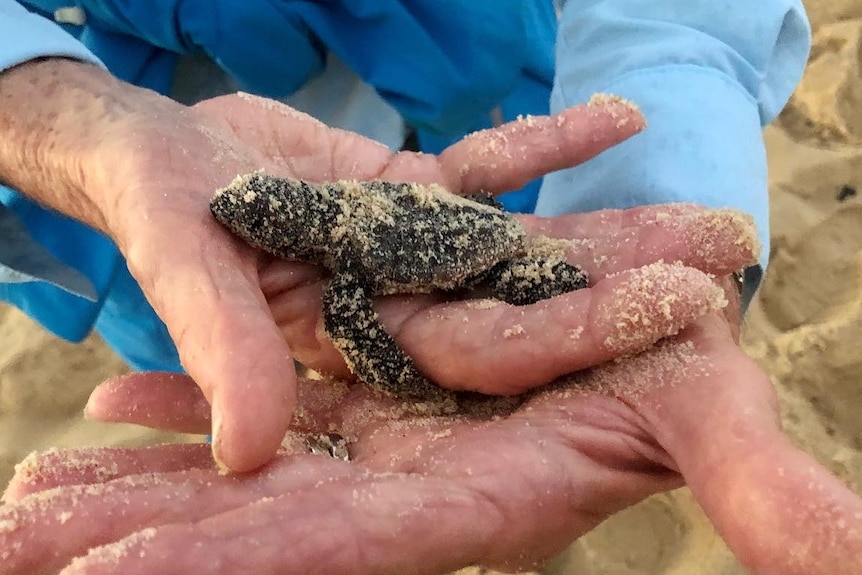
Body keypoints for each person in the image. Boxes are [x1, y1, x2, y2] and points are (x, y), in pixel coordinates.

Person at [2, 1, 856, 574]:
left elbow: (685, 20)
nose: (242, 217)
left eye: (257, 219)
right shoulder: (332, 225)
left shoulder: (341, 257)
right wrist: (68, 118)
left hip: (487, 198)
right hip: (132, 211)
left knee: (521, 366)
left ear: (297, 221)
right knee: (233, 376)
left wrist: (653, 169)